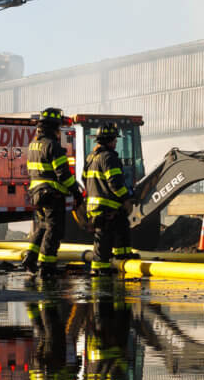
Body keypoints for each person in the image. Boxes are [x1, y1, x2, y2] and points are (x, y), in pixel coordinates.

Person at [20, 107, 79, 278]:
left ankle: (30, 258)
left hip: (37, 195)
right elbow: (63, 174)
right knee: (54, 230)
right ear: (53, 128)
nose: (59, 131)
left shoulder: (33, 145)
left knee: (42, 228)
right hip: (52, 196)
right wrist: (75, 192)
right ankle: (47, 266)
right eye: (58, 128)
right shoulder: (53, 146)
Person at [82, 122, 137, 277]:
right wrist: (126, 199)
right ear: (110, 140)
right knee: (105, 236)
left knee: (121, 227)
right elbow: (115, 183)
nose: (116, 142)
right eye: (115, 139)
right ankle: (100, 268)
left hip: (96, 205)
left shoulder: (91, 158)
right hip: (107, 205)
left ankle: (122, 256)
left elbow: (84, 179)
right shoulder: (109, 157)